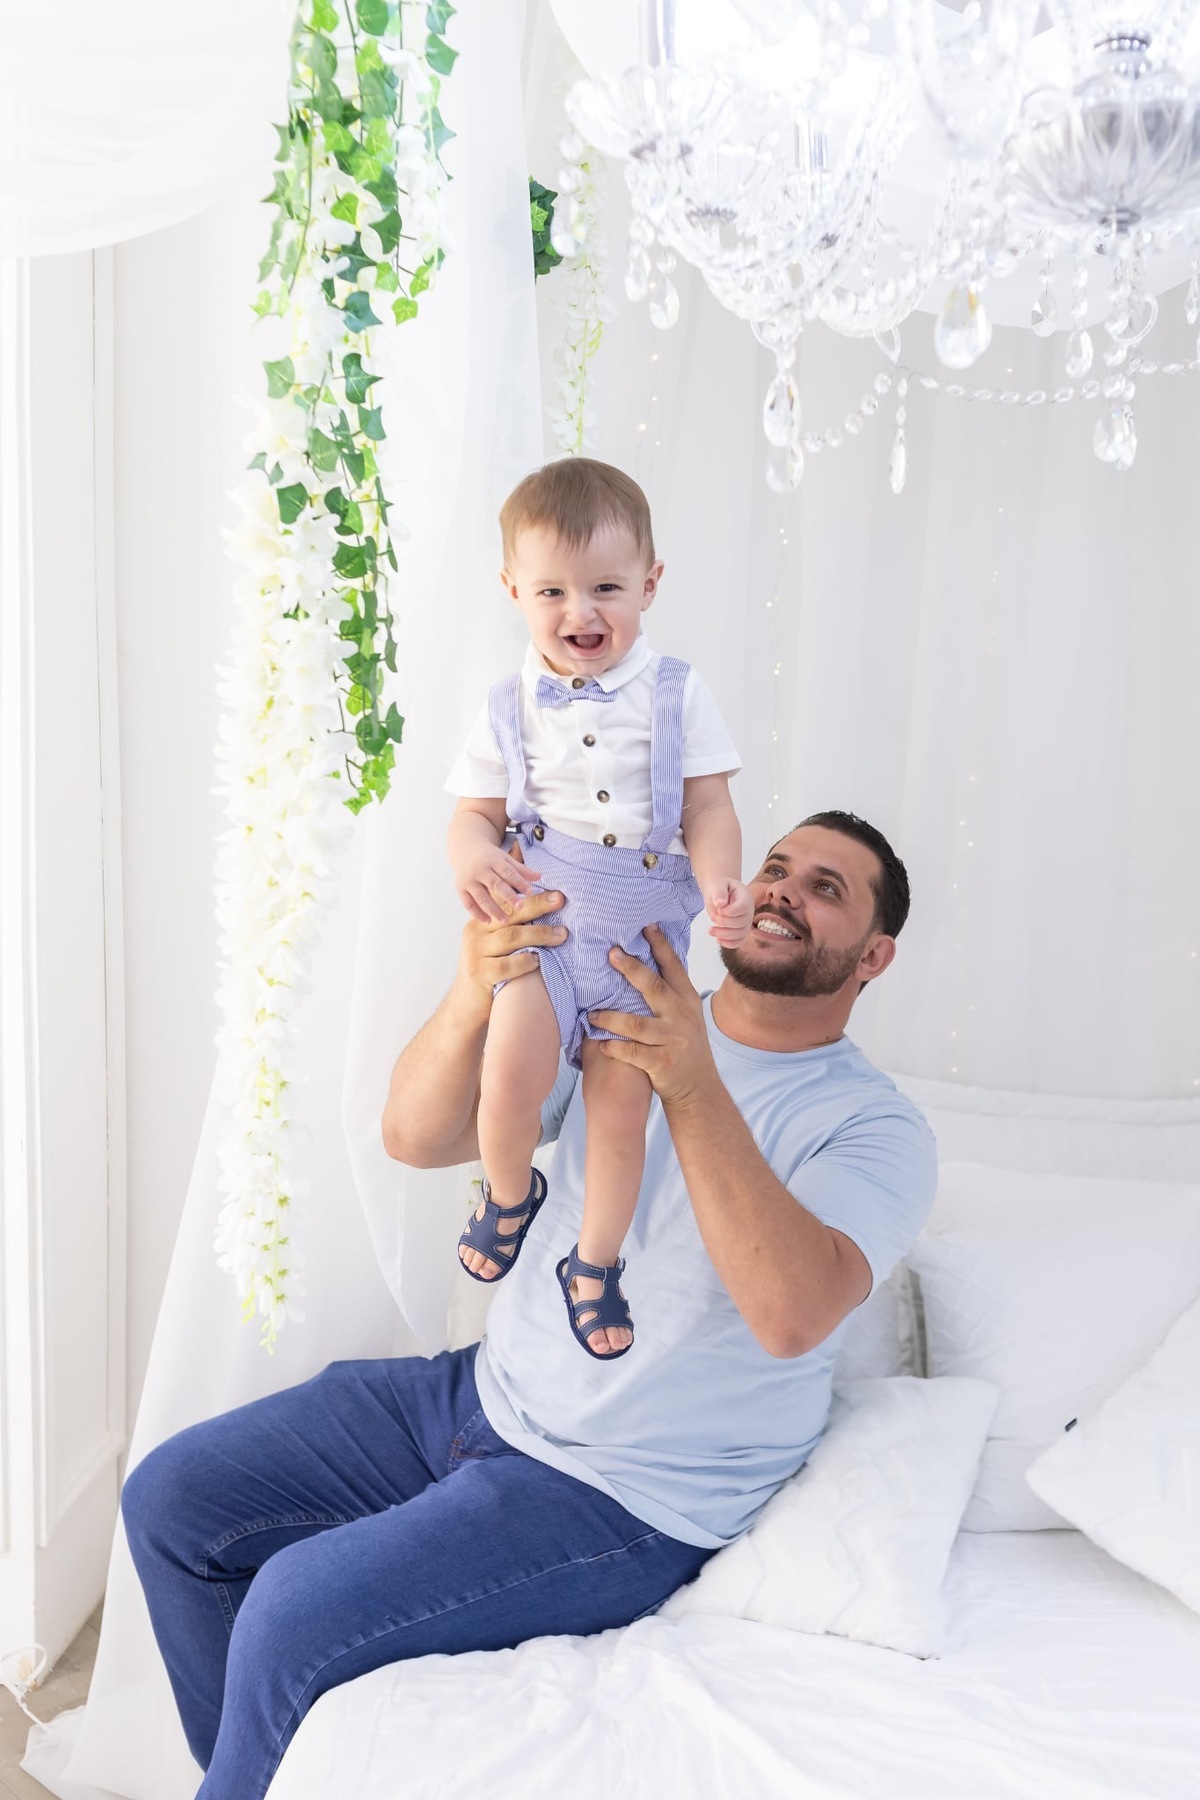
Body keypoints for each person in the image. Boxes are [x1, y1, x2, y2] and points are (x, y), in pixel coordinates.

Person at [121, 811, 936, 1800]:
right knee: (173, 1500)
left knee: (293, 1606)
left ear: (876, 955)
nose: (781, 890)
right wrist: (476, 985)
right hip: (481, 1396)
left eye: (824, 888)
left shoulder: (874, 1127)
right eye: (775, 868)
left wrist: (692, 1078)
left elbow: (791, 1316)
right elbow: (415, 1137)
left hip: (628, 1496)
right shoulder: (628, 1005)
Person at [445, 457, 752, 1359]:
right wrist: (471, 853)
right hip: (548, 922)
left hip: (641, 940)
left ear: (650, 585)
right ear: (513, 591)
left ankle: (594, 1264)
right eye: (553, 592)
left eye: (607, 588)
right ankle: (508, 1195)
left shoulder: (677, 693)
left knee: (622, 1114)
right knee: (509, 1074)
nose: (581, 614)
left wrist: (724, 879)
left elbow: (708, 807)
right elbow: (475, 813)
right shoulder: (507, 707)